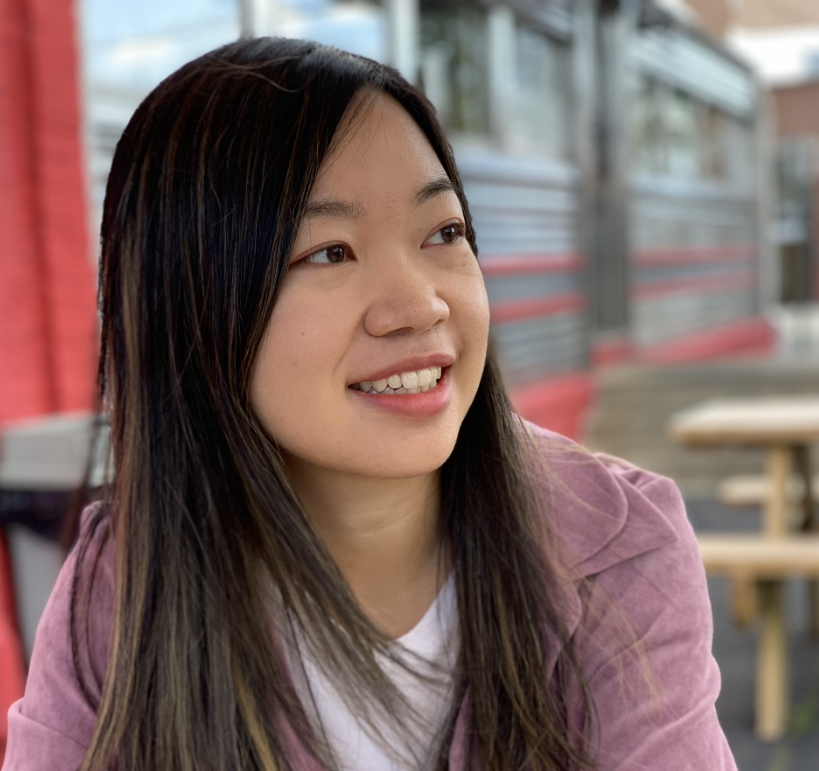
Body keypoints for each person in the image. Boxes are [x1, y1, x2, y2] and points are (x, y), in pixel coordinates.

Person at [3, 37, 737, 771]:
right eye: (330, 251)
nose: (421, 306)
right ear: (189, 307)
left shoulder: (615, 548)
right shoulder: (121, 587)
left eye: (443, 232)